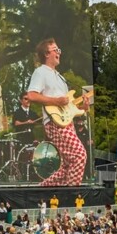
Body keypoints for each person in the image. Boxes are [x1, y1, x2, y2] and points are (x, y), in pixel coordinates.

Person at [22, 39, 89, 187]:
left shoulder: (60, 77)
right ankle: (71, 196)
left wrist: (84, 107)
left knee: (67, 166)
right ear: (47, 54)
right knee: (79, 155)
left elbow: (68, 107)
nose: (59, 53)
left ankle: (39, 191)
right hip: (54, 121)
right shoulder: (40, 72)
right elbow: (31, 95)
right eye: (56, 50)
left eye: (59, 50)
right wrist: (56, 101)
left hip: (66, 121)